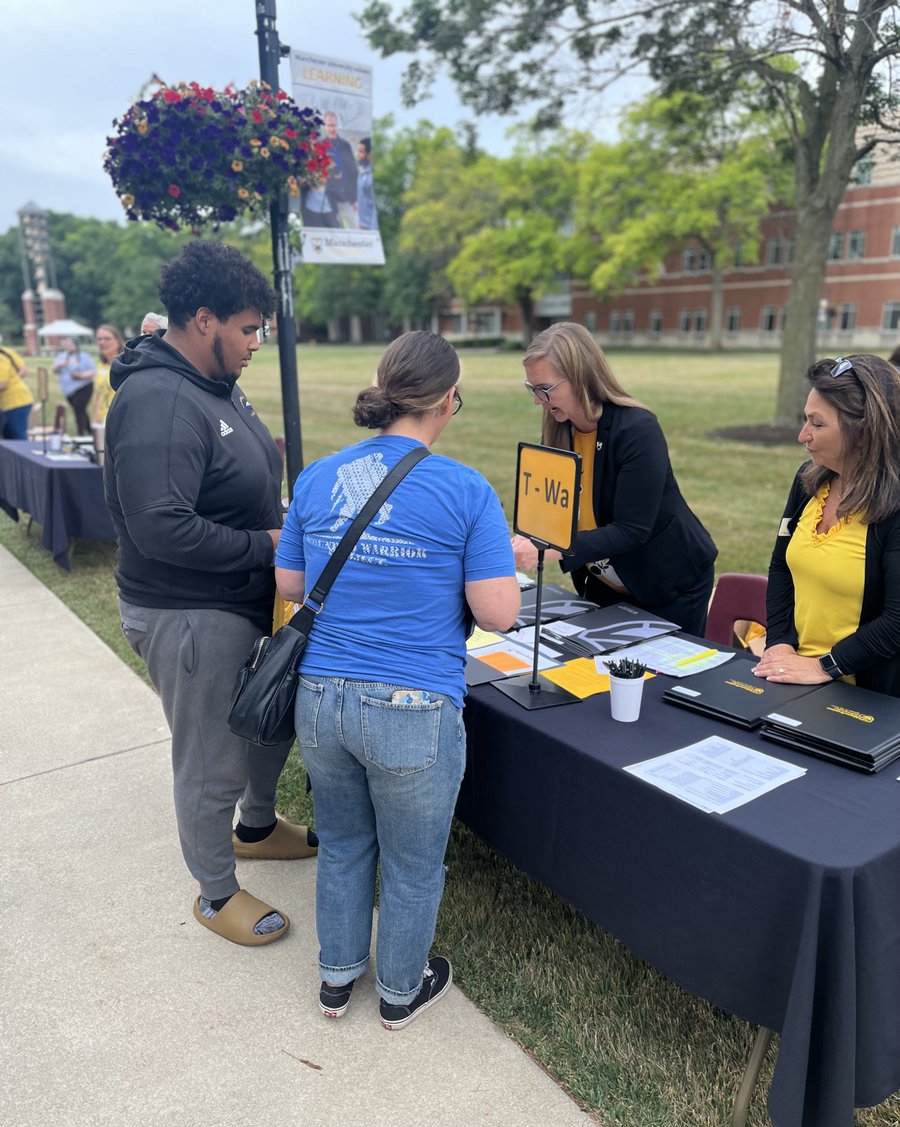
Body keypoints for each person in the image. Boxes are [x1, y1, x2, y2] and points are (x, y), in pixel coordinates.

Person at [274, 331, 519, 1027]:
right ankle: (399, 991)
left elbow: (290, 583)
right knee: (414, 864)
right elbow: (497, 613)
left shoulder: (319, 476)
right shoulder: (466, 489)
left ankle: (335, 978)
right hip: (413, 704)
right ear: (447, 401)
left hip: (320, 698)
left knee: (344, 843)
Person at [104, 241, 317, 948]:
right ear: (204, 319)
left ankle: (256, 828)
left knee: (268, 719)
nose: (257, 343)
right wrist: (269, 546)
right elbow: (160, 528)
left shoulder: (211, 384)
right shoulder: (159, 398)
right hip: (188, 611)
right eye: (248, 328)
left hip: (241, 597)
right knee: (210, 756)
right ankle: (215, 891)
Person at [511, 322, 717, 634]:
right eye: (532, 389)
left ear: (581, 376)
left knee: (657, 681)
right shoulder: (558, 430)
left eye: (545, 389)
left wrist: (550, 550)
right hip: (604, 584)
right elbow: (552, 510)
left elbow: (632, 530)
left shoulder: (637, 430)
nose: (537, 400)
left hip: (669, 584)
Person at [754, 354, 900, 694]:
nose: (803, 435)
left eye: (817, 425)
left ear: (864, 430)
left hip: (864, 692)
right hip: (794, 675)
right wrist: (778, 643)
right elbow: (780, 567)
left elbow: (896, 623)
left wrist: (825, 666)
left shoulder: (893, 507)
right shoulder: (808, 480)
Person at [52, 337, 95, 436]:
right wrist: (59, 365)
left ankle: (81, 433)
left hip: (83, 387)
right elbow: (53, 370)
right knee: (81, 410)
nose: (69, 346)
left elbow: (92, 371)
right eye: (67, 344)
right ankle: (89, 431)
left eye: (71, 344)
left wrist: (81, 375)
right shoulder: (62, 357)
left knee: (78, 409)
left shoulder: (84, 356)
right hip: (68, 390)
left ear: (76, 345)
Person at [322, 110, 359, 229]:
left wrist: (355, 198)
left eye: (333, 125)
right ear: (325, 126)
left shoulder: (345, 145)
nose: (332, 128)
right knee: (336, 228)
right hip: (330, 194)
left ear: (337, 125)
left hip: (346, 194)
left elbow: (353, 171)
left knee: (355, 225)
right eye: (329, 126)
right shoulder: (321, 145)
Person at [91, 325, 125, 428]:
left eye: (107, 338)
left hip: (120, 421)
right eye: (99, 339)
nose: (102, 342)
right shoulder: (100, 366)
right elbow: (98, 396)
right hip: (102, 421)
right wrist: (95, 421)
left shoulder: (126, 365)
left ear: (118, 341)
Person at [0, 343, 34, 440]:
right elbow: (23, 370)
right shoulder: (7, 351)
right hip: (18, 398)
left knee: (18, 436)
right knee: (11, 438)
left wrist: (12, 382)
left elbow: (3, 384)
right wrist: (15, 378)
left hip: (15, 402)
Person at [356, 137, 378, 231]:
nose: (358, 155)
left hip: (371, 228)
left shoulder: (372, 176)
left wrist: (373, 232)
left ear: (369, 154)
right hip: (362, 226)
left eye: (361, 152)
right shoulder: (362, 171)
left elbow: (375, 207)